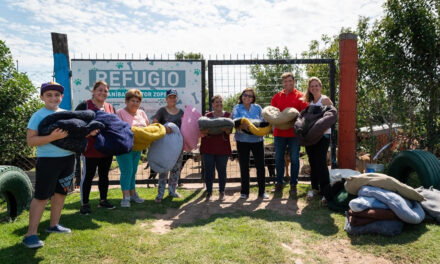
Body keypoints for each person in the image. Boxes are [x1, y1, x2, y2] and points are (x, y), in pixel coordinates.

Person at [22, 82, 98, 248]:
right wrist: (51, 138)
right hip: (48, 160)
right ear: (42, 97)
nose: (53, 98)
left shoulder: (66, 114)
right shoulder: (38, 116)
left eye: (57, 95)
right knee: (42, 196)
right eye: (48, 95)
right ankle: (30, 234)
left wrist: (88, 133)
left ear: (61, 97)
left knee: (61, 193)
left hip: (68, 159)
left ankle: (53, 225)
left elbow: (76, 135)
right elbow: (30, 141)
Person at [76, 81, 116, 214]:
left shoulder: (110, 107)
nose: (102, 93)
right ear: (93, 91)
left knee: (104, 176)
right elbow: (74, 124)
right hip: (90, 150)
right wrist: (88, 132)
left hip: (106, 149)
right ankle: (85, 204)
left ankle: (103, 200)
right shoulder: (85, 105)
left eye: (105, 91)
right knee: (88, 176)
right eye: (99, 90)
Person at [270, 72, 308, 196]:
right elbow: (272, 114)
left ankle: (293, 184)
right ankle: (279, 183)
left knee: (295, 159)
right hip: (279, 133)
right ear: (282, 83)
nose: (288, 83)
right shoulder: (276, 97)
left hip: (294, 135)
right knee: (279, 159)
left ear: (294, 82)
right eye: (285, 81)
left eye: (290, 81)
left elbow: (305, 113)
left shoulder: (301, 96)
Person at [232, 88, 268, 199]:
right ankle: (244, 192)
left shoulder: (258, 108)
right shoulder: (236, 108)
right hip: (242, 141)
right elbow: (235, 121)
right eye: (245, 95)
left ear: (253, 98)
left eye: (250, 96)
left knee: (260, 166)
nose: (247, 97)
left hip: (257, 140)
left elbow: (263, 122)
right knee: (244, 166)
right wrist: (243, 124)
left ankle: (262, 192)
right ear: (241, 96)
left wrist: (249, 125)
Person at [116, 89, 149, 207]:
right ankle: (125, 197)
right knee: (127, 171)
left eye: (137, 101)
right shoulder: (120, 113)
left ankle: (133, 194)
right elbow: (117, 130)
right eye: (132, 101)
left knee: (133, 171)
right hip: (123, 147)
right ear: (126, 101)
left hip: (138, 147)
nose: (135, 103)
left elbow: (147, 128)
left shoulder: (142, 113)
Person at [303, 77, 333, 205]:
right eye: (311, 86)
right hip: (311, 138)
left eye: (316, 85)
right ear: (309, 89)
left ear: (320, 87)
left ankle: (326, 193)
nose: (314, 88)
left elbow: (333, 117)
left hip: (323, 136)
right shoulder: (310, 103)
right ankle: (315, 189)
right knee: (313, 162)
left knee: (321, 163)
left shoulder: (325, 100)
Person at [152, 89, 184, 203]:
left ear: (177, 98)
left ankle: (172, 191)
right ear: (166, 99)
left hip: (177, 147)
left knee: (176, 170)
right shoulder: (162, 111)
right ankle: (160, 194)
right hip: (164, 148)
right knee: (163, 170)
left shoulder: (181, 112)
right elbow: (154, 124)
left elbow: (185, 129)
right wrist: (164, 129)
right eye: (170, 97)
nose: (172, 99)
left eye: (174, 97)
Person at [200, 95, 232, 201]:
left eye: (220, 102)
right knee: (209, 171)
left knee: (222, 170)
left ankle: (221, 191)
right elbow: (203, 132)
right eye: (216, 102)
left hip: (222, 148)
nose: (219, 104)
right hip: (208, 147)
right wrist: (216, 129)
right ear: (212, 104)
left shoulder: (228, 115)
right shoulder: (207, 116)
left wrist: (218, 129)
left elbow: (229, 131)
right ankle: (209, 192)